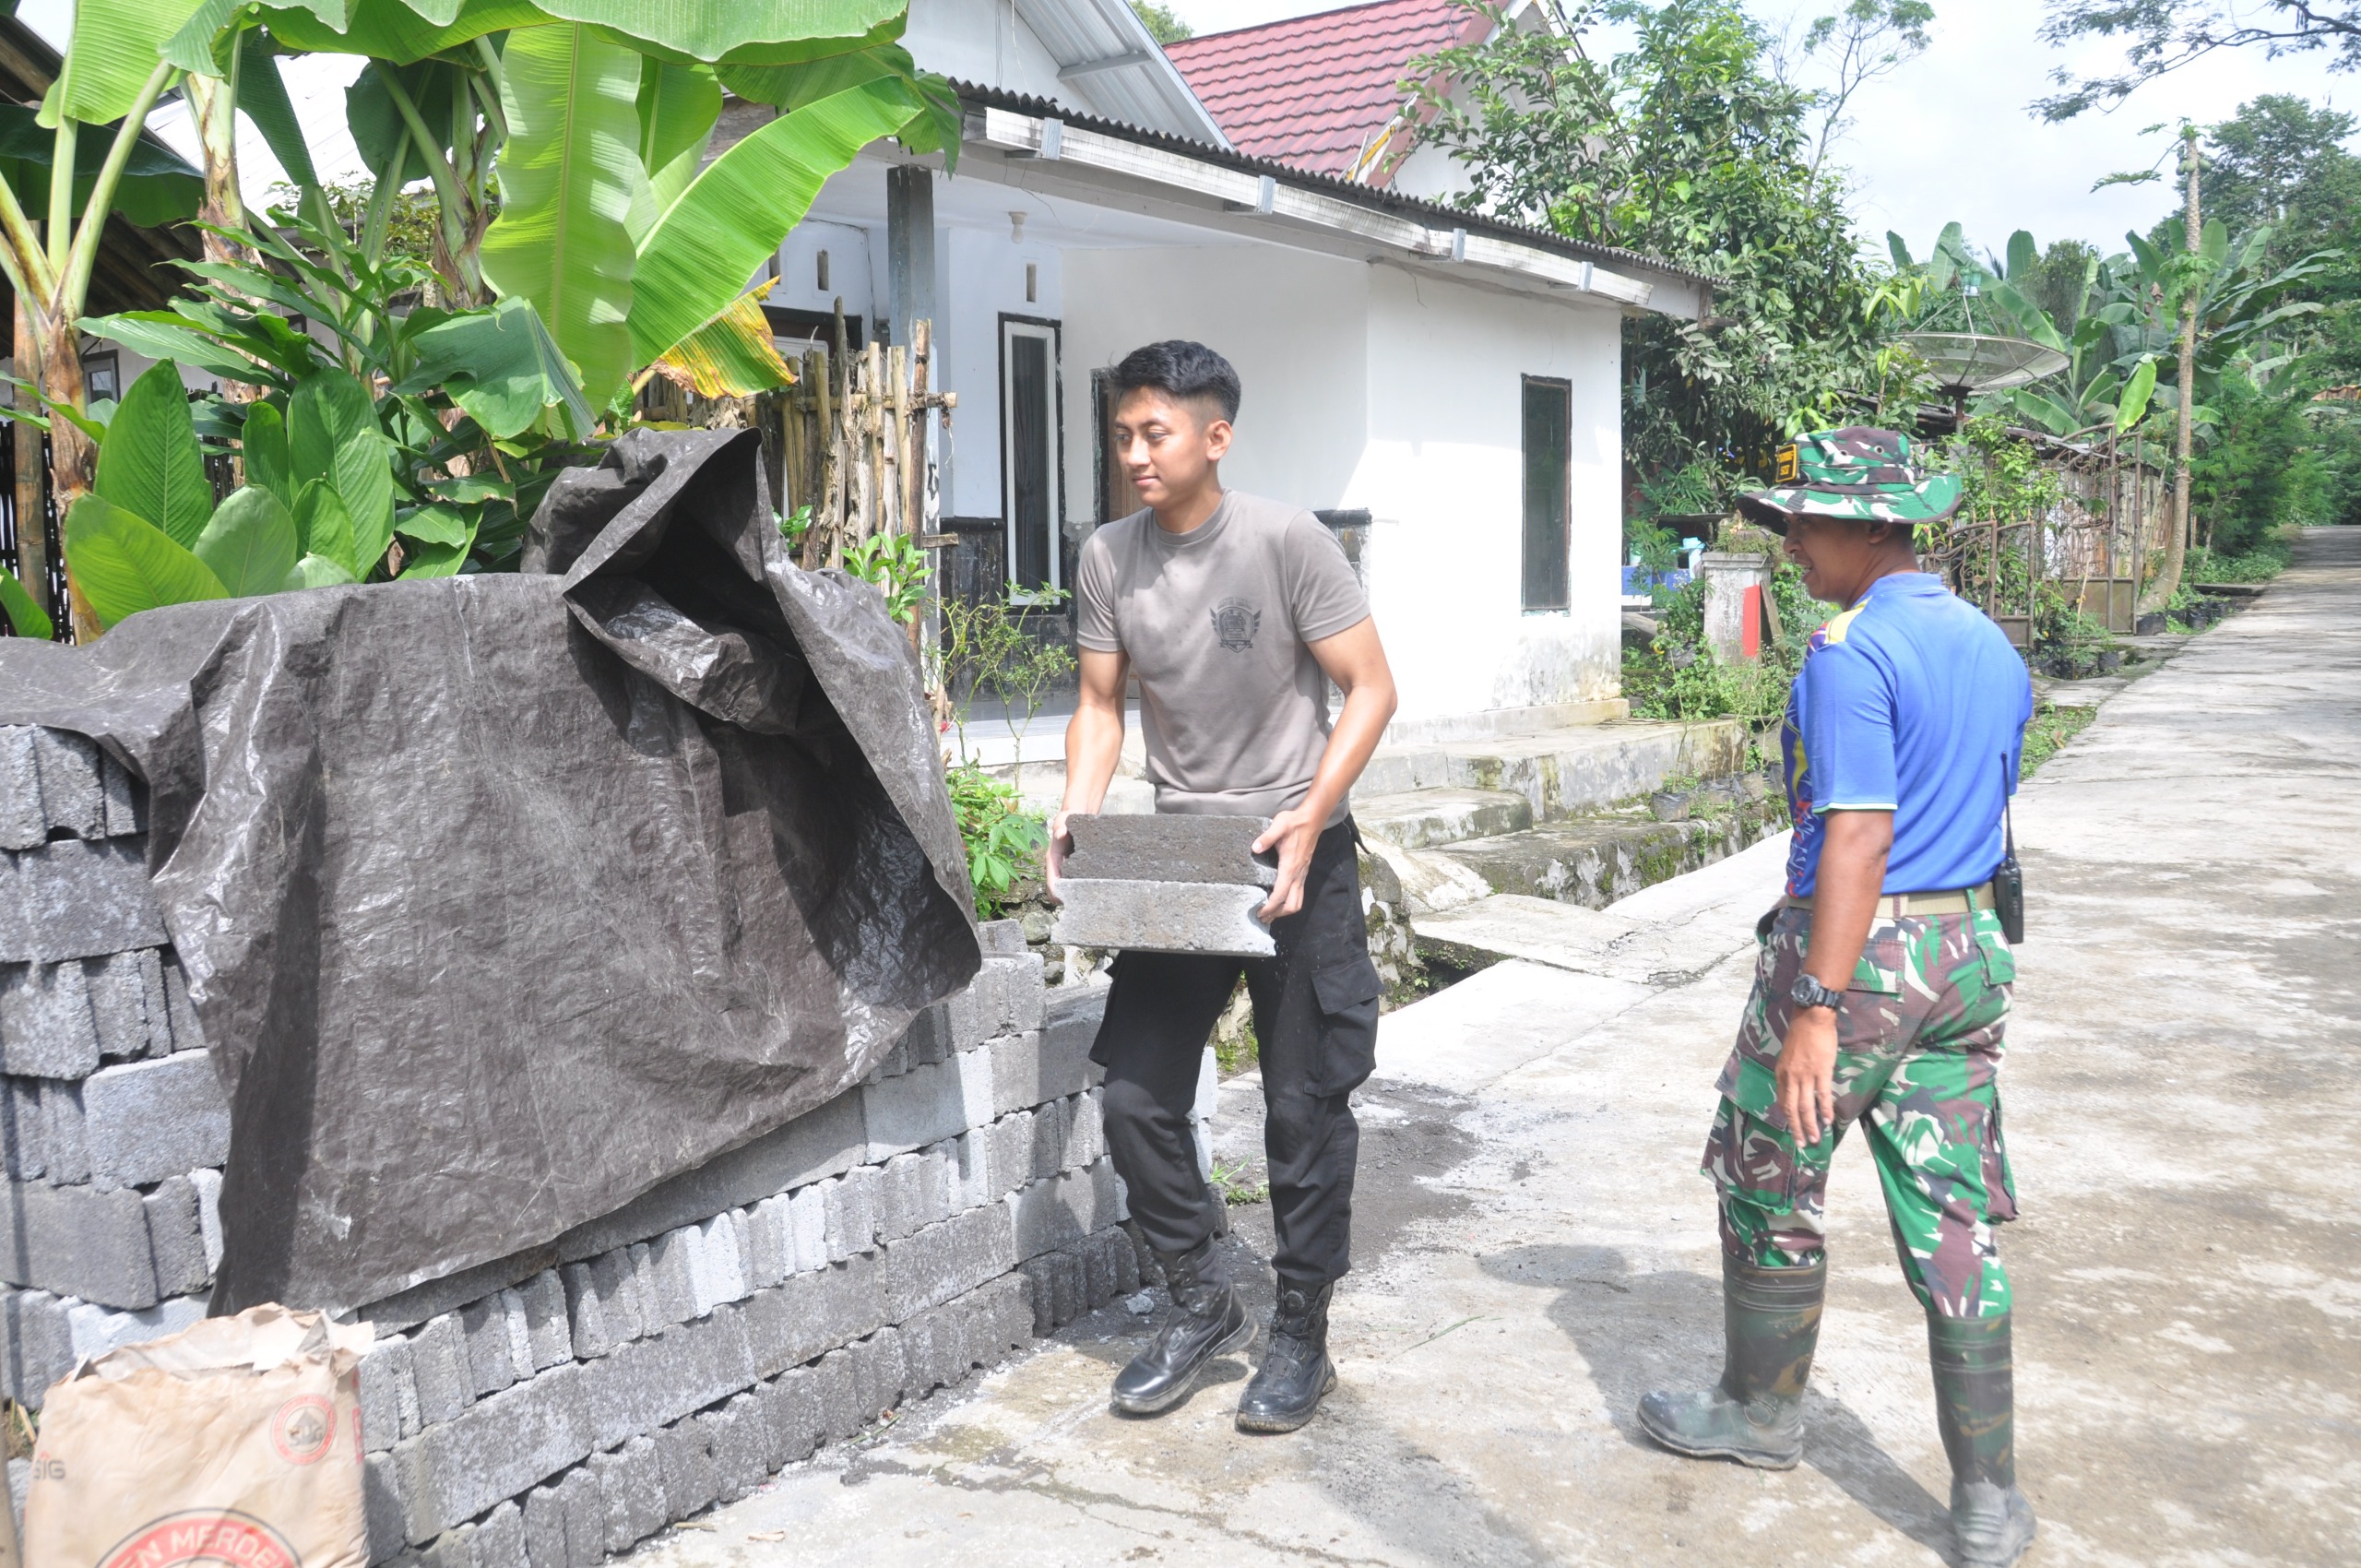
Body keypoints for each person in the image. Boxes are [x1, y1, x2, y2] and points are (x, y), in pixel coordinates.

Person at [1635, 428, 2038, 1568]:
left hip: (1857, 956)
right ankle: (1985, 1497)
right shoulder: (1988, 641)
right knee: (1954, 1212)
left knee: (1769, 1171)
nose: (1791, 544)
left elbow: (1858, 827)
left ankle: (1760, 1413)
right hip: (1965, 953)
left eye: (1806, 523)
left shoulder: (1849, 654)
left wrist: (1815, 999)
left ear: (1873, 529)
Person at [1048, 340, 1397, 1434]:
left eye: (1155, 432)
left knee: (1303, 1104)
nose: (1134, 453)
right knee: (1135, 1095)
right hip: (1183, 862)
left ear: (1215, 435)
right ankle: (1201, 1300)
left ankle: (1301, 1330)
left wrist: (1309, 815)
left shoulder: (1287, 541)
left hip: (1298, 856)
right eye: (1121, 434)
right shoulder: (1108, 555)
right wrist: (1076, 806)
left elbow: (1371, 690)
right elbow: (1102, 706)